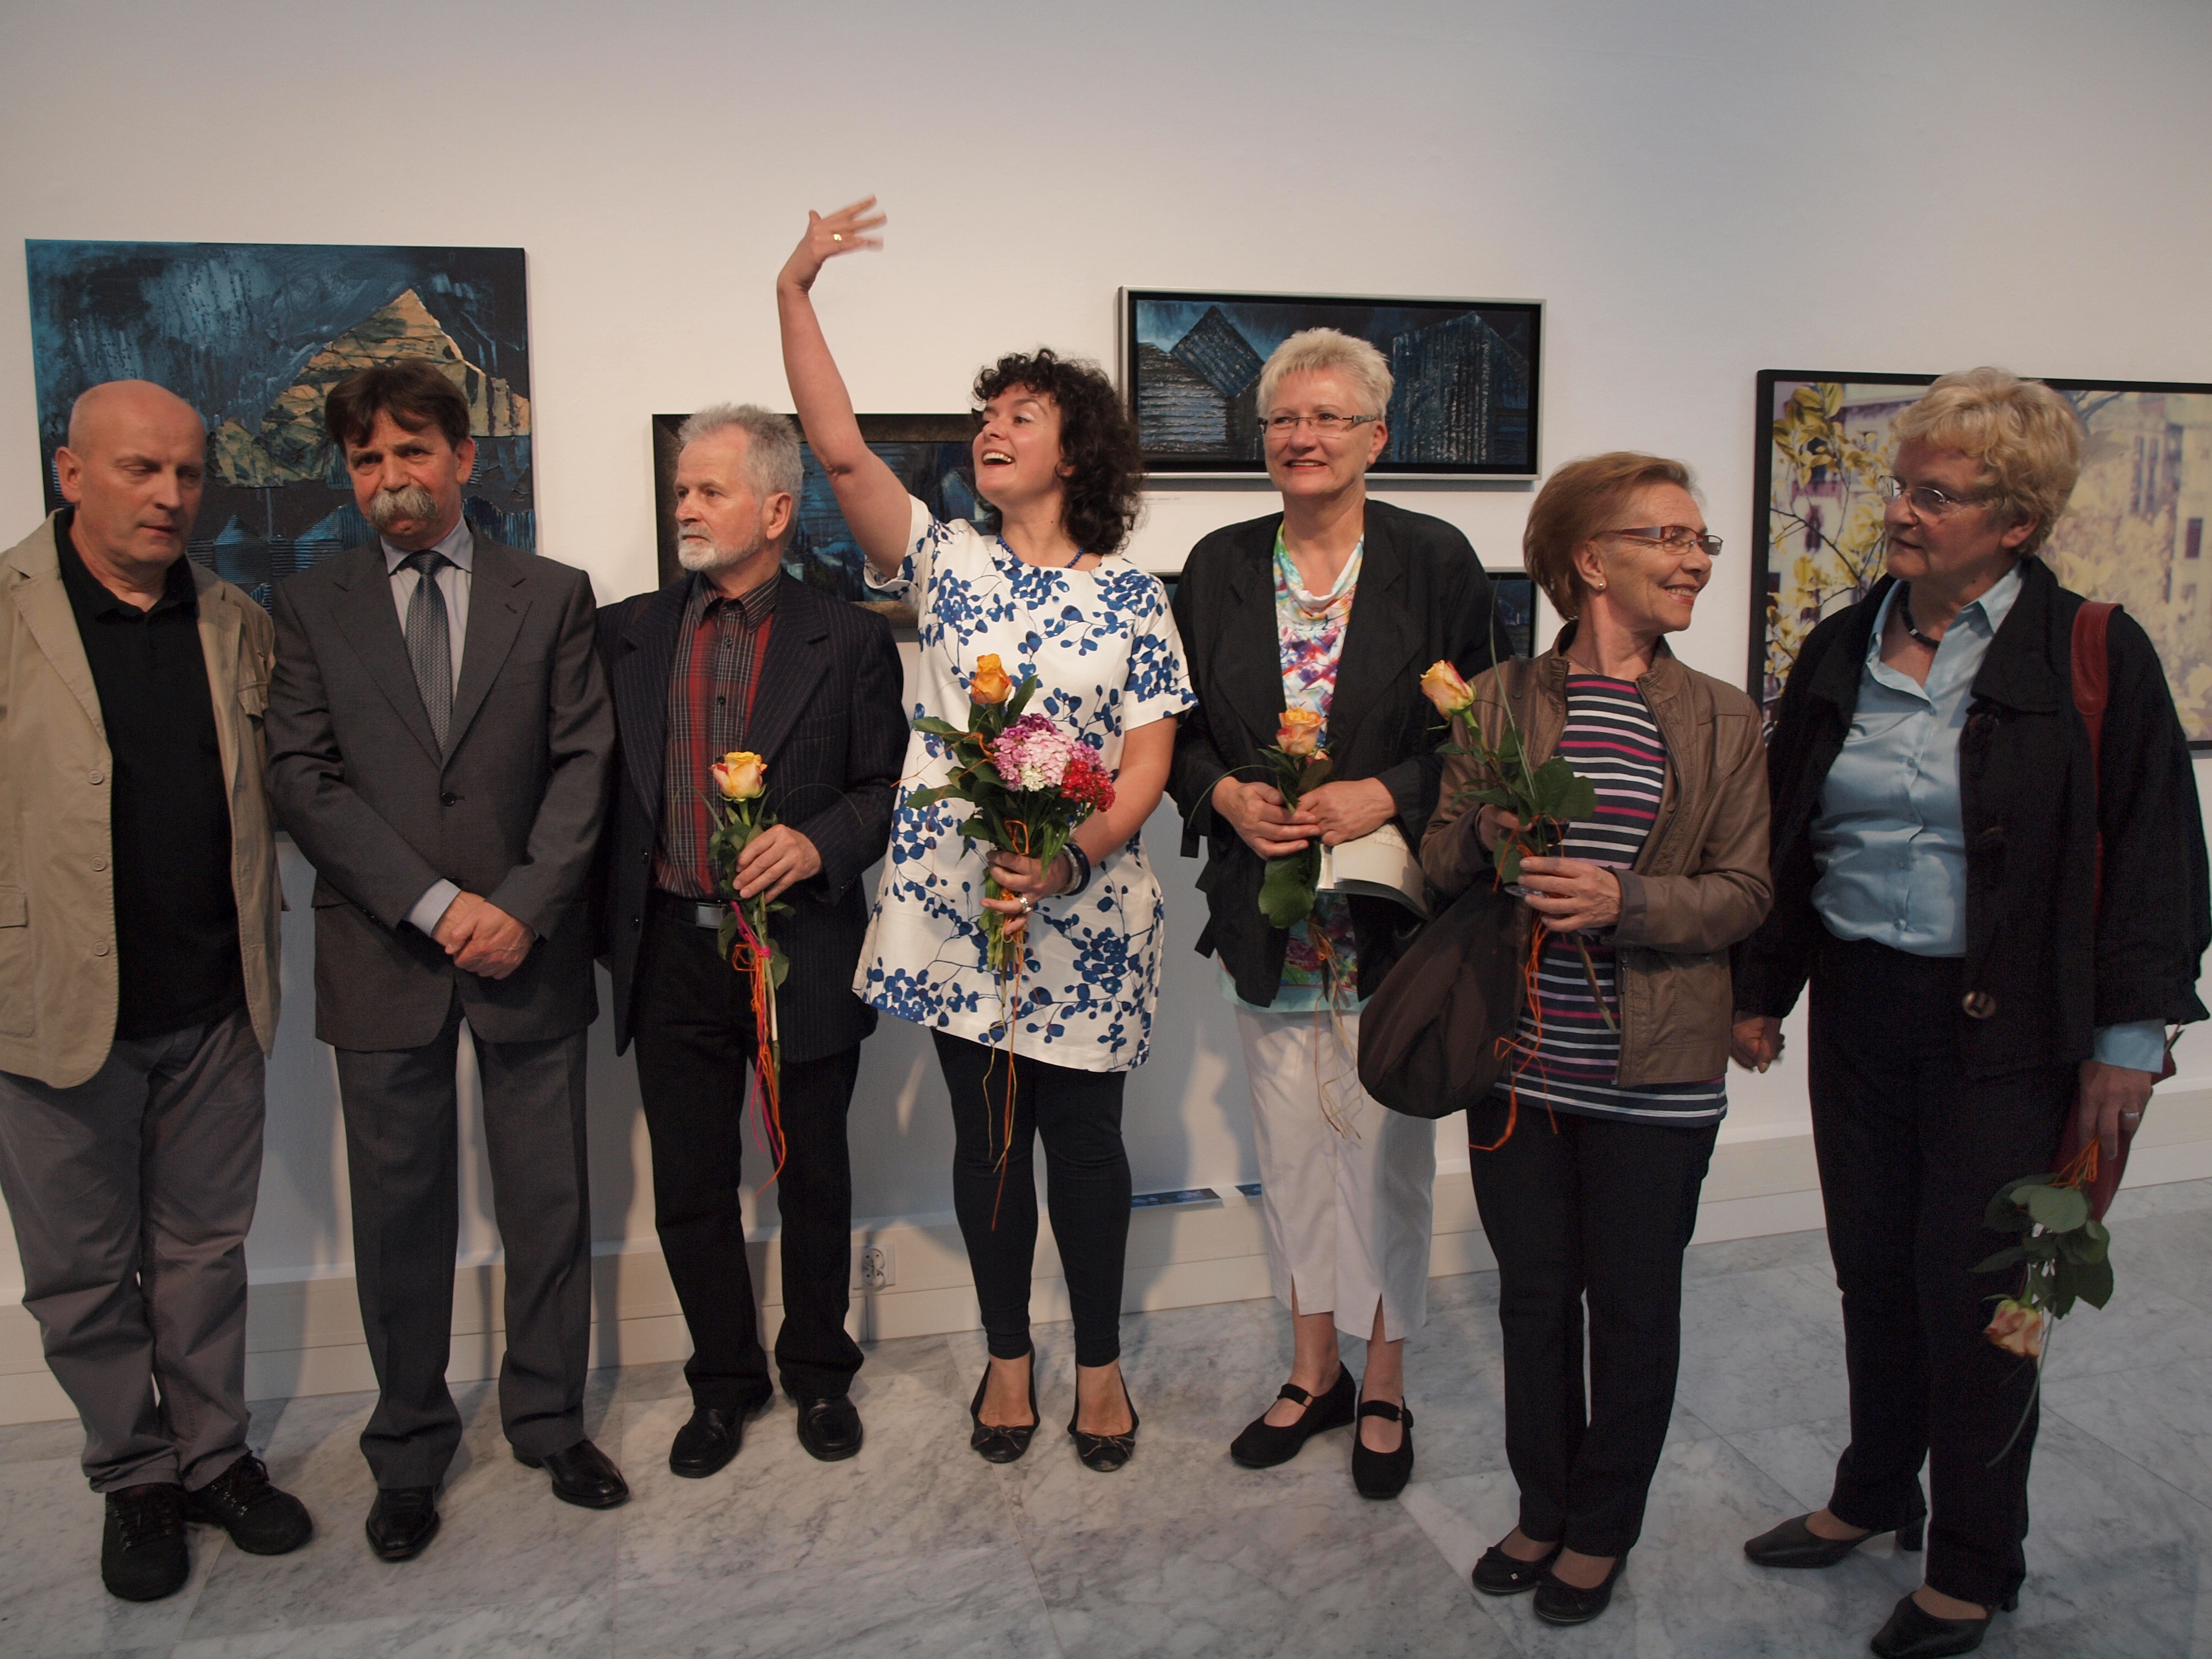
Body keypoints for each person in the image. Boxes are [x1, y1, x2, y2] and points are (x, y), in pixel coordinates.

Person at [1734, 368, 2208, 1658]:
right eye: (1902, 486)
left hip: (2014, 1026)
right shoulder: (1843, 642)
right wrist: (1761, 990)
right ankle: (1875, 1491)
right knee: (1872, 1270)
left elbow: (2156, 852)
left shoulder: (2092, 650)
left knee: (1985, 1292)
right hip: (1863, 1007)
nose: (1901, 511)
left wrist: (2128, 1044)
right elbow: (1792, 828)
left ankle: (1975, 1561)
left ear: (2017, 521)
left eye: (1935, 495)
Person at [778, 198, 1194, 1471]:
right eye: (987, 414)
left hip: (1090, 905)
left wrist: (1071, 855)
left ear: (1078, 451)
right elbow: (839, 453)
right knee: (990, 1140)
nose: (992, 429)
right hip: (965, 909)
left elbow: (1148, 761)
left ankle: (1101, 1365)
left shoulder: (1134, 596)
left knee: (1089, 1144)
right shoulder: (947, 561)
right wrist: (795, 289)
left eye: (1022, 414)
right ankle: (1009, 1356)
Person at [266, 360, 618, 1561]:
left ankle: (550, 1422)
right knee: (398, 1218)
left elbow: (585, 763)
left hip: (528, 945)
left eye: (412, 451)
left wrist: (519, 906)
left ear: (465, 457)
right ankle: (409, 1450)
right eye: (367, 459)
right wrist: (430, 903)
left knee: (549, 1202)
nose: (390, 478)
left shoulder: (551, 594)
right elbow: (300, 777)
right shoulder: (307, 606)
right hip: (383, 951)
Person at [1422, 452, 1770, 1627]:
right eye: (1670, 537)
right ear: (1590, 561)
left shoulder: (1725, 716)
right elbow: (1437, 859)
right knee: (1532, 1300)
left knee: (1632, 1307)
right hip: (1519, 1063)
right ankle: (1542, 1505)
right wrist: (1485, 832)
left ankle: (1602, 1526)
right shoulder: (1497, 699)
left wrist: (1630, 902)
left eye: (1701, 540)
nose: (1697, 560)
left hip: (1659, 1070)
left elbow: (1746, 891)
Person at [1168, 328, 1494, 1497]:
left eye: (1326, 418)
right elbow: (1176, 733)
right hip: (1267, 917)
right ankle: (1315, 1374)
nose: (1301, 438)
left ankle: (1387, 1378)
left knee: (1388, 1159)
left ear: (1376, 437)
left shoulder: (1435, 560)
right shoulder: (1215, 565)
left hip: (1391, 921)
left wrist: (1389, 791)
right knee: (1291, 1153)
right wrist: (1222, 793)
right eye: (1282, 420)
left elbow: (1488, 730)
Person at [0, 381, 312, 1601]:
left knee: (203, 1256)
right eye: (141, 470)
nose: (171, 496)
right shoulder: (8, 611)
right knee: (81, 1274)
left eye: (188, 473)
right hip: (49, 1009)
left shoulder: (235, 620)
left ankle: (215, 1459)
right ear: (70, 471)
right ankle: (134, 1476)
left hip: (215, 1001)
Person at [595, 404, 905, 1474]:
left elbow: (886, 789)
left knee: (814, 1175)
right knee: (690, 1185)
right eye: (681, 489)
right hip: (670, 955)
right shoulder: (627, 633)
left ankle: (820, 1372)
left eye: (709, 490)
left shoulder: (849, 637)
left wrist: (819, 846)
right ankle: (723, 1385)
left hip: (801, 949)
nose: (685, 506)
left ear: (776, 511)